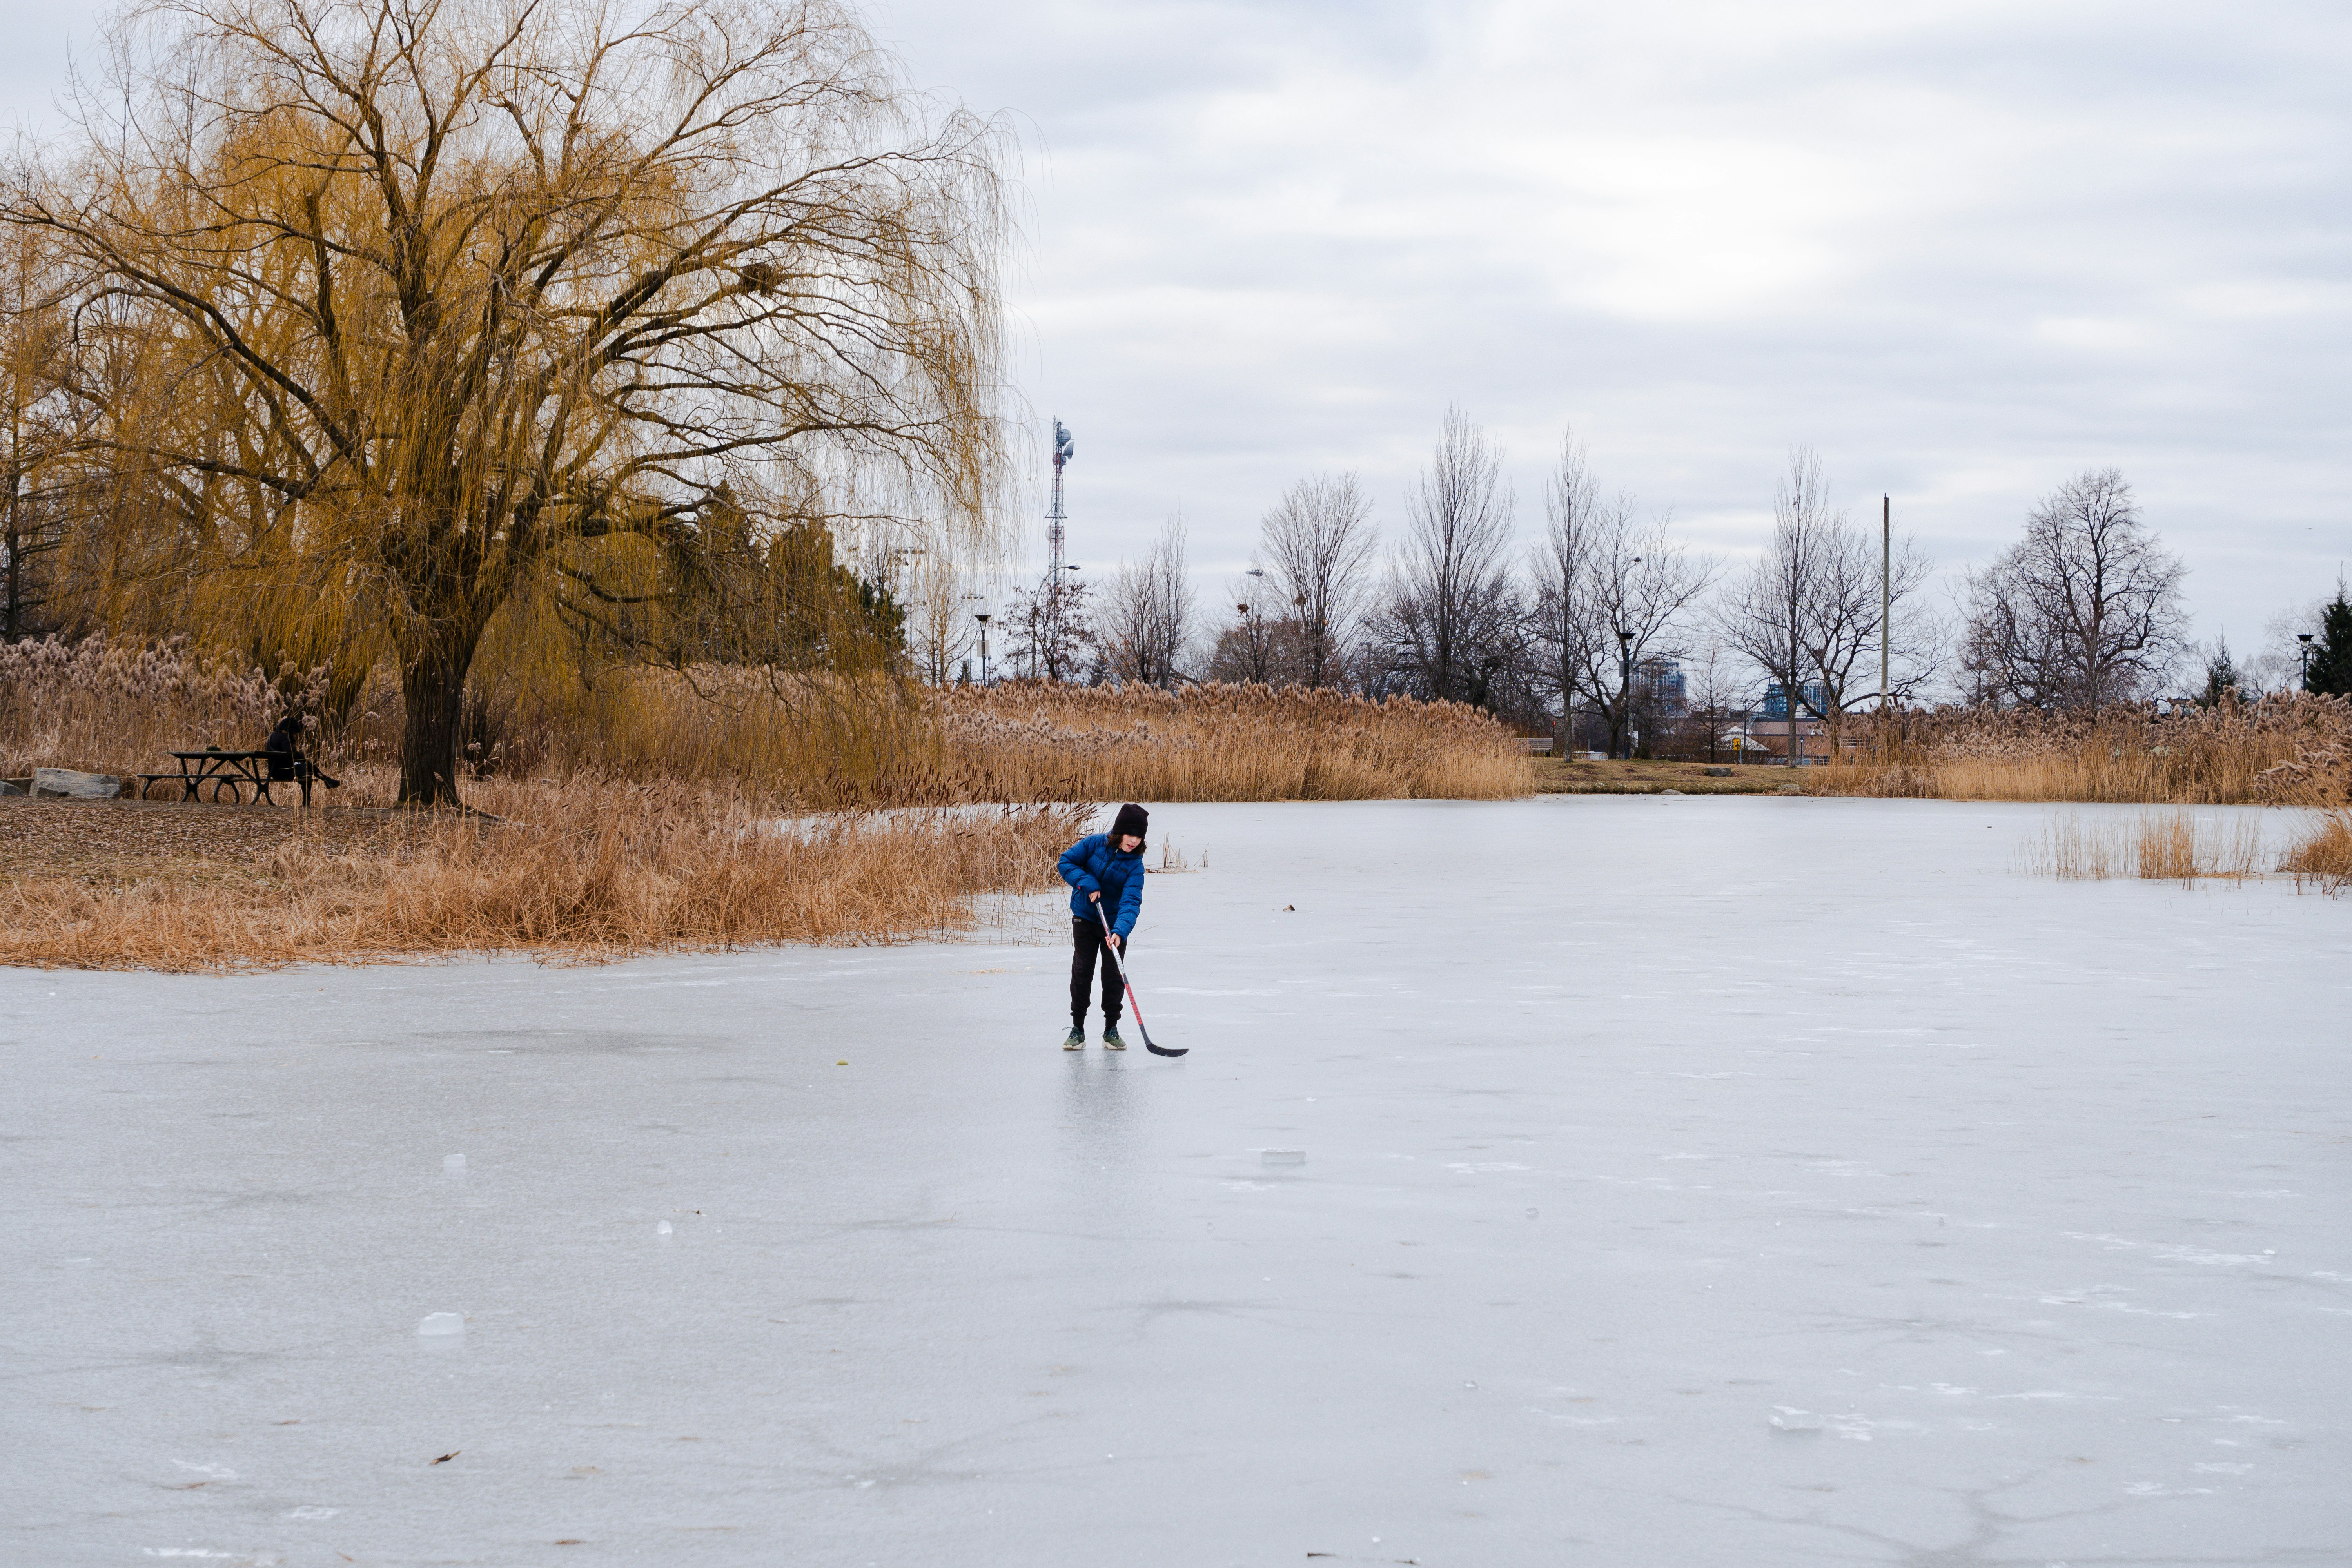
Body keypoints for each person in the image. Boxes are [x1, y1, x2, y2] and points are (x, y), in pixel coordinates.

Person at [1057, 803, 1148, 1051]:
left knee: (1113, 976)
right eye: (1131, 834)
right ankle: (1078, 1029)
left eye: (1139, 836)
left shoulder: (1135, 866)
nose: (1134, 841)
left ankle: (1111, 1029)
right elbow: (1065, 863)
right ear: (1120, 832)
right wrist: (1087, 882)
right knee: (1082, 971)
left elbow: (1131, 901)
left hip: (1114, 925)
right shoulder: (1094, 844)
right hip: (1086, 917)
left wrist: (1120, 931)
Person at [263, 712, 342, 805]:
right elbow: (292, 754)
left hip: (275, 770)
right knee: (306, 771)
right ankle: (325, 781)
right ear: (290, 730)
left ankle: (326, 780)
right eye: (295, 734)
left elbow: (288, 755)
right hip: (280, 773)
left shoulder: (274, 736)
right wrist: (301, 757)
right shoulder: (282, 737)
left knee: (306, 769)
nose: (295, 736)